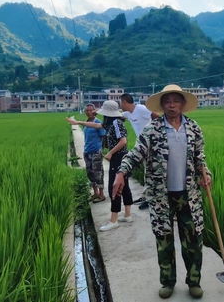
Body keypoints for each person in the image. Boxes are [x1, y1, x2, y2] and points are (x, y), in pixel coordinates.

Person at [112, 85, 212, 299]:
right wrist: (122, 172)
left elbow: (200, 158)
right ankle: (168, 282)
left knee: (193, 241)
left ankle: (194, 281)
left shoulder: (193, 128)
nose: (172, 105)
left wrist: (206, 175)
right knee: (164, 240)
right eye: (168, 101)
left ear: (183, 104)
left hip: (189, 196)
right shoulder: (152, 129)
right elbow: (136, 153)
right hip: (161, 197)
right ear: (163, 105)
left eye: (176, 100)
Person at [73, 100, 134, 232]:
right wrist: (79, 122)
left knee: (114, 186)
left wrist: (110, 153)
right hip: (119, 157)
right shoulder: (109, 123)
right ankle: (128, 215)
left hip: (119, 157)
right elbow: (95, 125)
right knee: (124, 186)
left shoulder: (116, 123)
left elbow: (123, 141)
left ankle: (113, 220)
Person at [120, 93, 159, 210]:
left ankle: (150, 199)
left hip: (152, 144)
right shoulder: (127, 113)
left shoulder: (141, 109)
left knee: (152, 171)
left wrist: (153, 131)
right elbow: (116, 115)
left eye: (120, 102)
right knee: (147, 170)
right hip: (143, 146)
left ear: (124, 102)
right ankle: (146, 196)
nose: (120, 105)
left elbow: (156, 115)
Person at [66, 103, 107, 203]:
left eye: (90, 110)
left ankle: (101, 195)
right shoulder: (86, 123)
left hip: (96, 151)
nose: (89, 112)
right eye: (87, 110)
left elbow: (104, 136)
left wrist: (102, 149)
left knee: (98, 172)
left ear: (94, 111)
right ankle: (95, 193)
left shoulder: (98, 122)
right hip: (87, 151)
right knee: (90, 173)